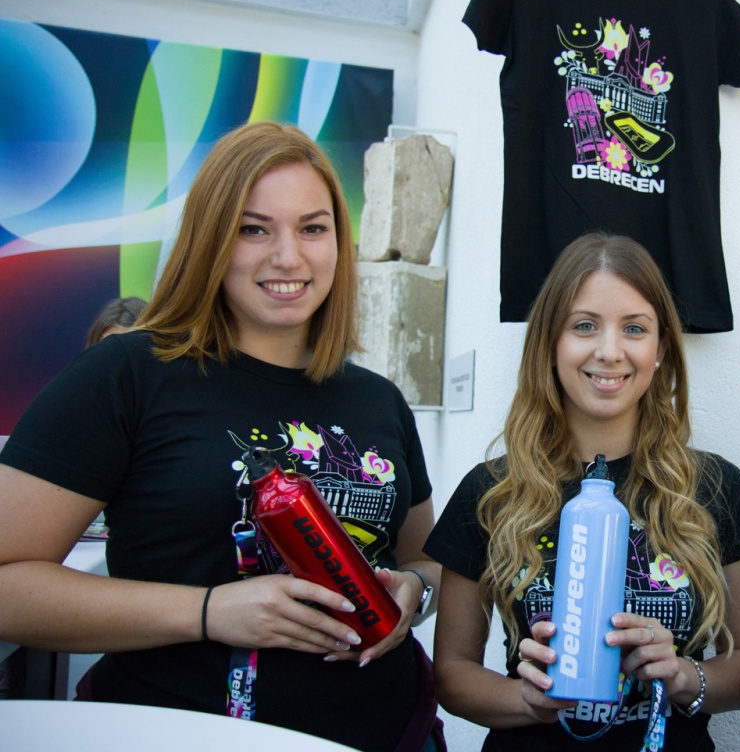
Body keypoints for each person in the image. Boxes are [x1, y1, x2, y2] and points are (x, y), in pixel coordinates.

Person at [0, 122, 443, 752]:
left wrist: (413, 595)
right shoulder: (126, 376)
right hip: (177, 733)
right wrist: (210, 612)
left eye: (312, 228)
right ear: (210, 240)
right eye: (253, 229)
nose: (288, 257)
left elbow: (425, 560)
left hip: (389, 733)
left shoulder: (379, 400)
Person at [425, 233, 740, 750]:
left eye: (634, 328)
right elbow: (453, 674)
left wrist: (681, 675)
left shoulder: (716, 487)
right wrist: (525, 699)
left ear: (660, 349)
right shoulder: (492, 490)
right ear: (551, 343)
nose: (610, 352)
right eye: (584, 325)